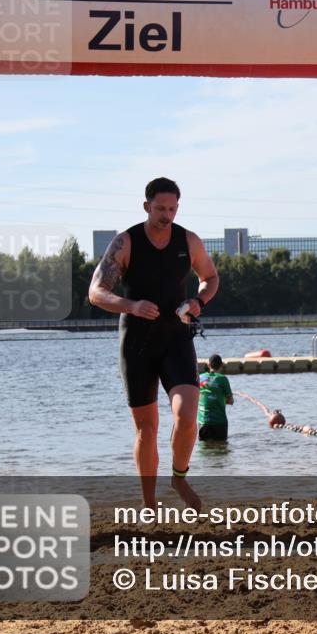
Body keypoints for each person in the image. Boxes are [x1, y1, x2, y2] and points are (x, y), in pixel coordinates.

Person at [88, 177, 219, 510]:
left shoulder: (188, 240)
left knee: (187, 414)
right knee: (147, 429)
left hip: (176, 338)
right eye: (160, 208)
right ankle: (148, 503)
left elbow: (211, 277)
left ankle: (178, 476)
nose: (166, 215)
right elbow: (96, 292)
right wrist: (131, 306)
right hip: (137, 345)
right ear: (147, 206)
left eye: (172, 208)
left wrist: (198, 302)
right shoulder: (126, 242)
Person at [198, 354, 233, 441]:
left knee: (204, 450)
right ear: (221, 365)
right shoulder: (223, 379)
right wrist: (219, 398)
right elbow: (230, 401)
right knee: (221, 449)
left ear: (209, 365)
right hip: (219, 422)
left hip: (203, 422)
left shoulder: (200, 378)